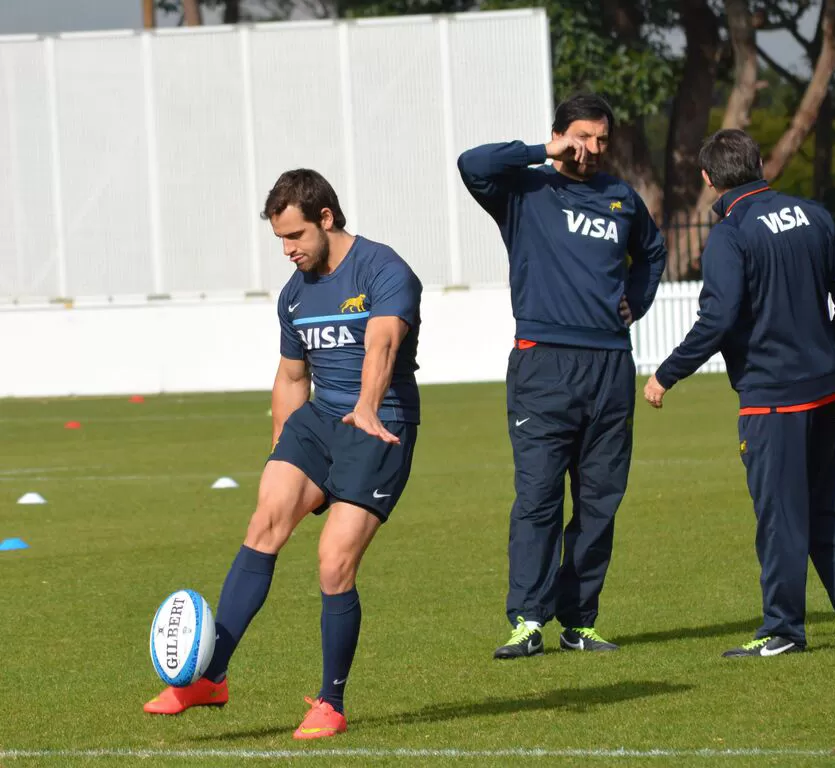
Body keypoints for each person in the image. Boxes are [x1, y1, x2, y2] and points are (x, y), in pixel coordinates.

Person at [143, 169, 422, 737]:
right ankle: (210, 677)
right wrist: (281, 447)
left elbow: (383, 341)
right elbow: (292, 376)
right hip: (319, 422)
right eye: (279, 240)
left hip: (381, 423)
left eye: (295, 236)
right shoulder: (295, 295)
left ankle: (331, 703)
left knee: (333, 561)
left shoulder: (383, 270)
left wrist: (367, 405)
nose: (288, 250)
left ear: (326, 218)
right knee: (265, 520)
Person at [643, 129, 835, 657]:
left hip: (772, 399)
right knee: (828, 504)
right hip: (824, 391)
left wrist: (667, 373)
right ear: (759, 163)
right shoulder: (811, 214)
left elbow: (718, 317)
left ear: (708, 179)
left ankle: (782, 630)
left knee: (780, 515)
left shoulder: (731, 235)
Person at [458, 93, 668, 659]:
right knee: (538, 498)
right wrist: (539, 151)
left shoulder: (621, 198)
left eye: (601, 139)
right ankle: (527, 620)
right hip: (543, 365)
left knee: (600, 501)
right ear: (559, 136)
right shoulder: (523, 191)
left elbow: (653, 253)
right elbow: (470, 162)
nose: (592, 149)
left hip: (610, 366)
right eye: (581, 137)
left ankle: (580, 622)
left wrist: (635, 301)